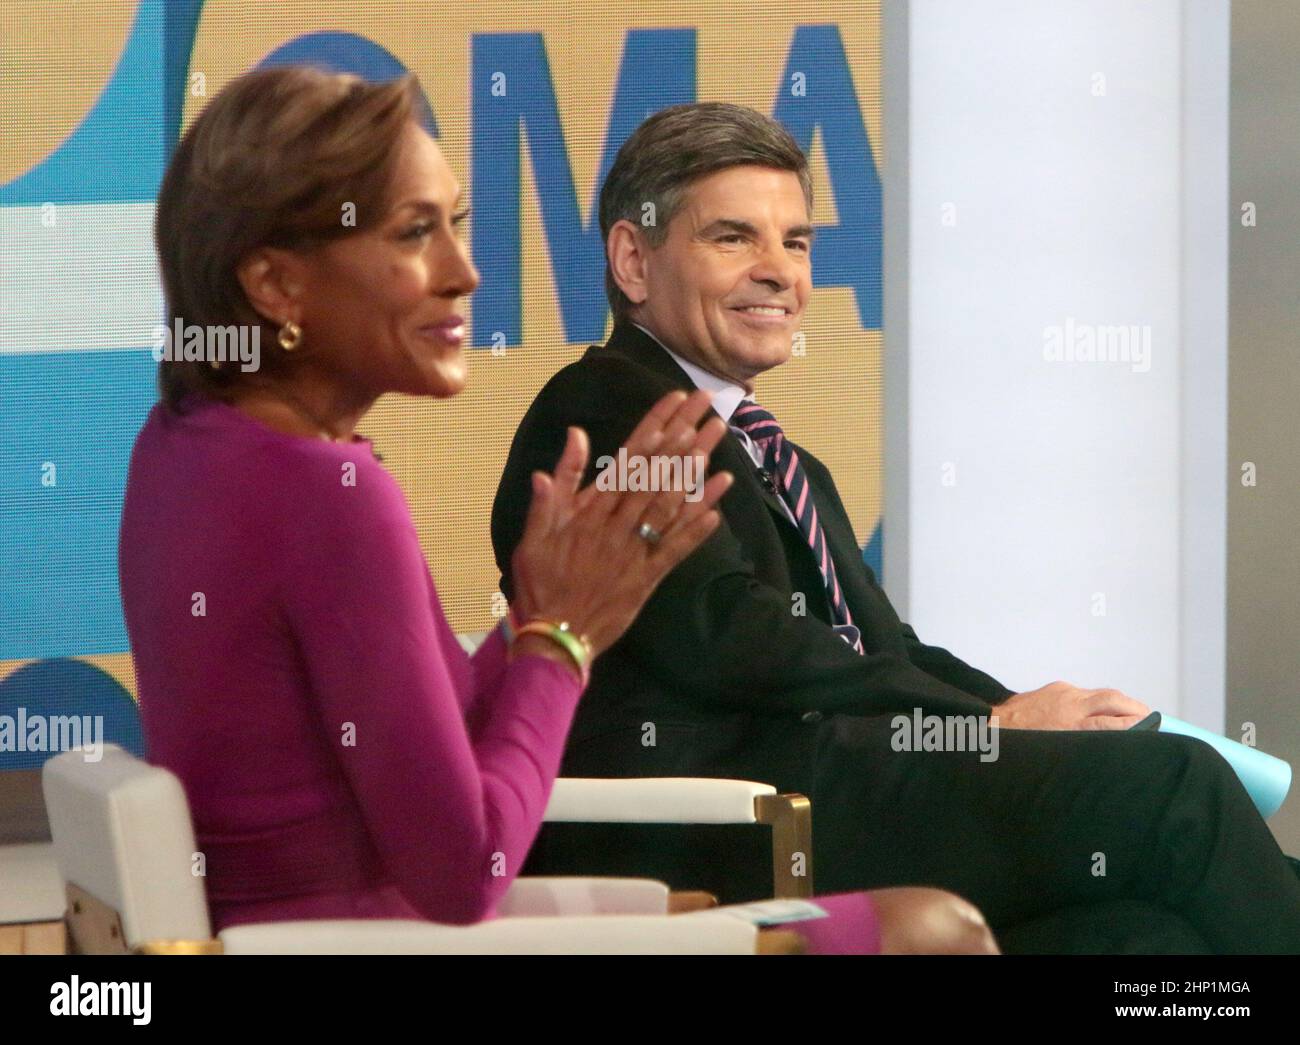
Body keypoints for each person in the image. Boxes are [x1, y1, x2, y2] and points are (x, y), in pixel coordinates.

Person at [118, 65, 996, 956]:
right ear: (276, 285)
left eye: (456, 226)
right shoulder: (329, 497)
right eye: (416, 233)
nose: (464, 274)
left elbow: (432, 741)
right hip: (379, 940)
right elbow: (464, 869)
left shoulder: (187, 444)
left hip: (314, 927)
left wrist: (536, 621)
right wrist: (563, 640)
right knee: (935, 929)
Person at [490, 101, 1300, 954]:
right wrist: (984, 725)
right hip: (734, 816)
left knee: (1138, 939)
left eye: (796, 242)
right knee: (1177, 786)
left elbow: (893, 648)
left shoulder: (788, 463)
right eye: (733, 238)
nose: (777, 272)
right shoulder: (608, 404)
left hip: (849, 788)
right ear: (633, 259)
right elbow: (733, 633)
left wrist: (1016, 709)